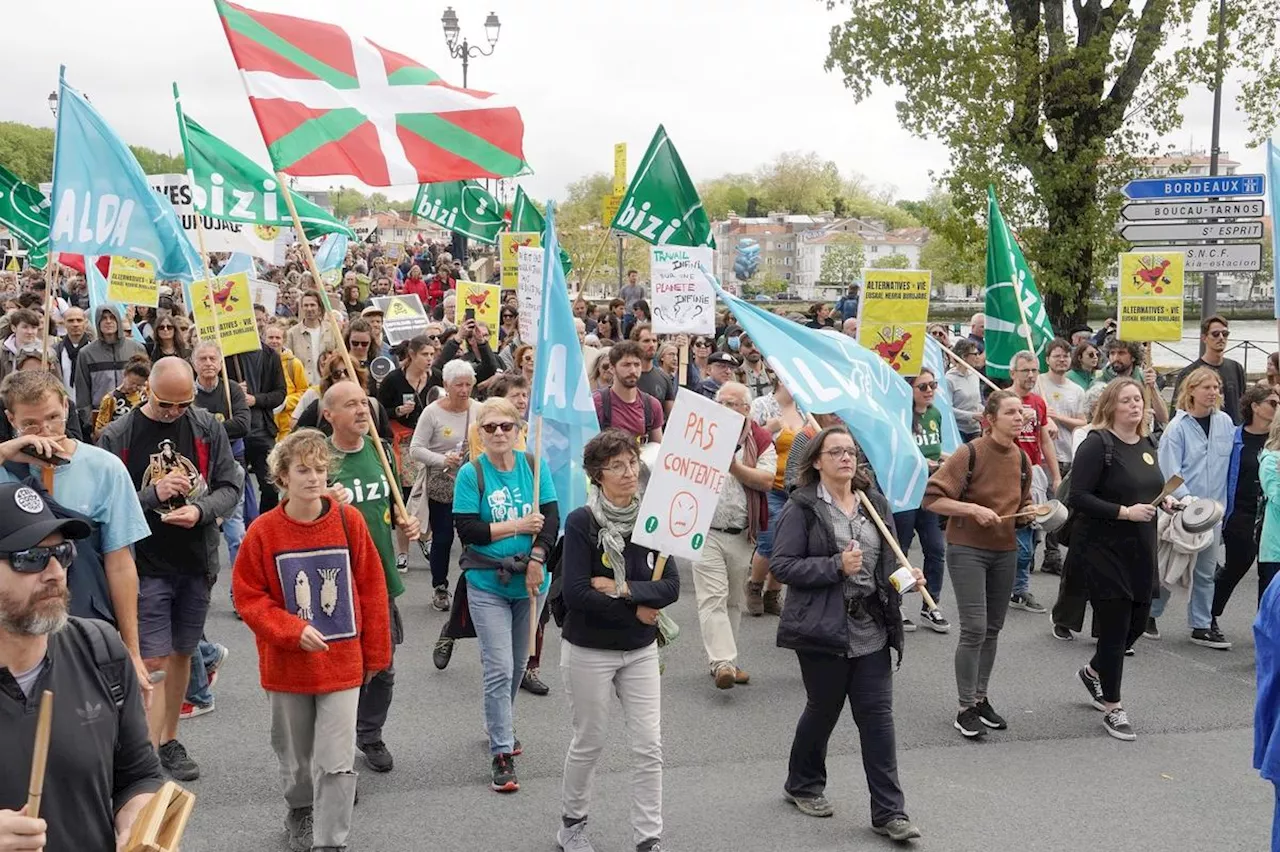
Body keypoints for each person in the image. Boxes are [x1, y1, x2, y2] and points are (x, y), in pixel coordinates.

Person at [232, 429, 392, 852]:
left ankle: (331, 841)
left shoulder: (348, 520)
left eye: (321, 469)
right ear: (282, 477)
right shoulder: (263, 531)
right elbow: (248, 597)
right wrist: (291, 630)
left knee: (337, 762)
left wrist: (376, 652)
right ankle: (300, 810)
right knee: (297, 759)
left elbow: (372, 588)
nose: (314, 478)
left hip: (342, 664)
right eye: (303, 469)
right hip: (286, 667)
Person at [770, 426, 923, 843]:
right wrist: (834, 566)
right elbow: (782, 566)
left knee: (877, 719)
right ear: (817, 461)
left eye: (851, 452)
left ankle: (890, 812)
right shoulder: (801, 507)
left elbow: (889, 564)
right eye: (835, 452)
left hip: (870, 625)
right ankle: (802, 783)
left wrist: (907, 579)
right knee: (823, 709)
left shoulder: (873, 504)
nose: (845, 458)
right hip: (822, 625)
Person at [98, 355, 243, 781]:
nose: (174, 414)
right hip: (144, 561)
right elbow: (108, 500)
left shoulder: (206, 426)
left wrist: (199, 512)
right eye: (166, 405)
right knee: (153, 655)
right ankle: (145, 749)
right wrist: (153, 493)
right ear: (148, 392)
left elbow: (230, 486)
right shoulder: (119, 434)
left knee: (182, 650)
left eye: (183, 405)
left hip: (195, 558)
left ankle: (169, 739)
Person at [0, 482, 165, 851]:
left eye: (62, 552)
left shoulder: (101, 648)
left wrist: (139, 825)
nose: (55, 572)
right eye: (30, 558)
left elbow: (138, 776)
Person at [556, 429, 681, 852]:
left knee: (649, 746)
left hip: (641, 649)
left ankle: (649, 837)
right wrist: (636, 607)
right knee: (589, 741)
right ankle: (572, 826)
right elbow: (576, 593)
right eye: (617, 466)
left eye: (633, 463)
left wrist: (624, 590)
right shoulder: (581, 522)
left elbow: (671, 587)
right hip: (589, 649)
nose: (630, 473)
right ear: (597, 474)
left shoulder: (653, 518)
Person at [0, 369, 152, 701]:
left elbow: (120, 562)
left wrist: (132, 649)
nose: (45, 432)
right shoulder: (5, 466)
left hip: (83, 620)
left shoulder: (105, 467)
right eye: (30, 424)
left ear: (67, 408)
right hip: (13, 630)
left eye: (53, 417)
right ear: (11, 419)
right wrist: (5, 453)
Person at [453, 396, 558, 793]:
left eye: (506, 426)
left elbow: (550, 520)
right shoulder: (471, 474)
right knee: (497, 665)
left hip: (531, 582)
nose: (499, 433)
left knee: (517, 664)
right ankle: (501, 750)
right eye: (490, 427)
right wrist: (517, 524)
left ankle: (500, 720)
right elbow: (469, 530)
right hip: (487, 583)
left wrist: (537, 557)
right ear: (480, 433)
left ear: (519, 430)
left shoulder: (533, 466)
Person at [1068, 378, 1175, 741]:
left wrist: (1167, 501)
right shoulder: (1098, 445)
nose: (1135, 406)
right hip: (1103, 549)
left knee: (1137, 622)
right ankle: (1113, 707)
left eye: (1139, 400)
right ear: (1111, 406)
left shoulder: (1147, 442)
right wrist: (1123, 512)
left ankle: (1094, 671)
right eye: (1127, 400)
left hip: (1141, 549)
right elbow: (1079, 497)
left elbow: (1147, 487)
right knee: (1114, 628)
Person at [323, 381, 420, 775]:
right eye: (351, 405)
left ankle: (370, 733)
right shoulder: (320, 457)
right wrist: (324, 499)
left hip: (378, 577)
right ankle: (337, 750)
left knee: (382, 666)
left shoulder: (381, 450)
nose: (362, 410)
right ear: (329, 414)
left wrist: (407, 524)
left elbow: (394, 507)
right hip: (334, 580)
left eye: (364, 403)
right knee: (340, 671)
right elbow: (290, 507)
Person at [922, 390, 1032, 739]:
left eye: (1022, 412)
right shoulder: (969, 453)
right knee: (974, 627)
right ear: (990, 419)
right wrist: (971, 509)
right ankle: (964, 707)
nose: (1019, 418)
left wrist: (1031, 513)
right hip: (967, 547)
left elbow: (1023, 504)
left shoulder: (1022, 459)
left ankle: (981, 698)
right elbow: (932, 499)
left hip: (1005, 548)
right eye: (1011, 412)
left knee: (993, 628)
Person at [694, 383, 776, 689]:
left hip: (742, 532)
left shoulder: (761, 439)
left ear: (746, 409)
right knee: (712, 596)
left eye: (733, 404)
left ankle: (725, 658)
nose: (726, 409)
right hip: (705, 529)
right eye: (721, 403)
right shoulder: (701, 431)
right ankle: (724, 663)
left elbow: (767, 480)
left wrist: (734, 467)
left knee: (732, 599)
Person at [1151, 366, 1234, 648]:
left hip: (1215, 511)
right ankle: (1149, 614)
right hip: (1185, 510)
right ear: (1191, 390)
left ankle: (1201, 624)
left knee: (1206, 570)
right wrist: (1187, 501)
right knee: (1172, 565)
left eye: (1216, 388)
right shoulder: (1177, 428)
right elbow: (1171, 472)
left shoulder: (1224, 423)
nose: (1213, 393)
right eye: (1207, 387)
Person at [412, 359, 482, 611]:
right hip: (442, 481)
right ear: (446, 385)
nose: (464, 390)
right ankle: (440, 586)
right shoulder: (432, 412)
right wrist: (443, 459)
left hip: (473, 481)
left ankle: (474, 587)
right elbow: (415, 449)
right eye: (458, 385)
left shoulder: (479, 410)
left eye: (468, 384)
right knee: (442, 537)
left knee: (471, 537)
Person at [1213, 385, 1279, 622]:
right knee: (1237, 565)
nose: (1277, 407)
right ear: (1255, 407)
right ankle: (1208, 613)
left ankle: (1266, 626)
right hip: (1240, 511)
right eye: (1272, 403)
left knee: (1269, 574)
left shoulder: (1276, 440)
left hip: (1270, 514)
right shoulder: (1235, 437)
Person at [893, 369, 951, 633]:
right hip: (903, 494)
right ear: (909, 391)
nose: (930, 391)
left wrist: (950, 459)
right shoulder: (899, 416)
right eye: (923, 387)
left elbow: (936, 449)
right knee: (899, 552)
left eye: (933, 385)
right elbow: (895, 453)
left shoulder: (935, 414)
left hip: (928, 492)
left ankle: (931, 604)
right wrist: (919, 462)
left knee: (936, 549)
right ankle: (896, 604)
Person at [1008, 350, 1059, 612]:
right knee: (1018, 535)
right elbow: (988, 437)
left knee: (1032, 533)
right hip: (1007, 473)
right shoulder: (1002, 399)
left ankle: (1018, 588)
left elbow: (1044, 440)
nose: (1030, 375)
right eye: (1025, 370)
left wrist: (1056, 475)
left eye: (1034, 371)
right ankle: (1015, 587)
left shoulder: (1038, 402)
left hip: (1034, 473)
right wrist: (1016, 421)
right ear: (1012, 373)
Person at [378, 334, 435, 573]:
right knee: (405, 498)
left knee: (429, 496)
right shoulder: (393, 380)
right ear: (411, 355)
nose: (430, 359)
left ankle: (425, 537)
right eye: (425, 355)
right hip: (404, 443)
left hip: (431, 443)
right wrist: (397, 410)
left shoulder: (436, 378)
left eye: (433, 355)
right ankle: (402, 553)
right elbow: (380, 412)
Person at [748, 377, 802, 617]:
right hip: (770, 485)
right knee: (769, 541)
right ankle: (754, 587)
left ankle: (773, 592)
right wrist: (767, 430)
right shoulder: (762, 405)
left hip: (798, 489)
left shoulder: (806, 409)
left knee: (790, 544)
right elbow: (745, 440)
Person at [1040, 338, 1086, 576]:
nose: (1062, 360)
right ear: (1047, 359)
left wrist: (1058, 418)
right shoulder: (1039, 384)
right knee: (1048, 505)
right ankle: (1049, 553)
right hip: (1046, 456)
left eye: (1066, 356)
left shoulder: (1076, 390)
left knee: (1065, 507)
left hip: (1070, 453)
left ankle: (1057, 551)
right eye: (1057, 355)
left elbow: (1082, 421)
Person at [75, 305, 147, 437]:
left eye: (112, 317)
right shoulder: (86, 353)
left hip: (134, 417)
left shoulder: (136, 348)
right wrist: (90, 424)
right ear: (97, 322)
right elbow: (82, 393)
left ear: (118, 320)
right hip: (102, 421)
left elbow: (147, 384)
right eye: (103, 318)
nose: (108, 321)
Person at [1168, 315, 1247, 427]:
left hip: (1232, 434)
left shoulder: (1236, 368)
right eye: (1215, 334)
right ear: (1204, 338)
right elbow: (1178, 410)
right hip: (1200, 434)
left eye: (1225, 334)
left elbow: (1243, 405)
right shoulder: (1189, 373)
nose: (1221, 337)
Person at [593, 341, 664, 444]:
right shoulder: (597, 403)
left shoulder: (652, 405)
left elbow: (656, 449)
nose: (633, 370)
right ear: (612, 368)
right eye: (626, 365)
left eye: (637, 365)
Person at [266, 323, 309, 441]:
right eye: (270, 337)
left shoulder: (294, 364)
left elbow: (304, 392)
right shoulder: (259, 362)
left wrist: (285, 403)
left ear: (284, 340)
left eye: (278, 338)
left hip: (287, 427)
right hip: (267, 427)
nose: (274, 341)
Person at [93, 353, 150, 440]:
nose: (134, 388)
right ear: (125, 375)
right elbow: (98, 432)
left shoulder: (145, 395)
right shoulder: (111, 399)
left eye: (139, 385)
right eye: (132, 383)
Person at [286, 290, 338, 385]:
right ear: (301, 308)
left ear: (319, 307)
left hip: (328, 384)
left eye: (312, 305)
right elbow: (288, 363)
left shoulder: (332, 330)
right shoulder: (292, 334)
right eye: (306, 305)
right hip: (303, 386)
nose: (309, 309)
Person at [633, 324, 676, 421]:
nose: (652, 345)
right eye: (646, 341)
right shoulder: (627, 377)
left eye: (654, 341)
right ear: (635, 344)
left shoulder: (664, 378)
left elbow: (672, 416)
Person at [946, 340, 984, 442]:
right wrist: (971, 415)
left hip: (975, 429)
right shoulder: (949, 379)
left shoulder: (975, 375)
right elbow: (948, 409)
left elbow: (977, 403)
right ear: (963, 356)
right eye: (975, 354)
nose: (978, 357)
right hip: (958, 430)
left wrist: (987, 412)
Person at [55, 305, 92, 394]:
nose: (75, 324)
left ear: (85, 323)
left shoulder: (94, 350)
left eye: (79, 320)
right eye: (70, 321)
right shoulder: (56, 351)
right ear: (64, 323)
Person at [738, 334, 771, 401]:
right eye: (748, 345)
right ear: (740, 350)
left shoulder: (775, 374)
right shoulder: (735, 376)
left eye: (757, 344)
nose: (753, 348)